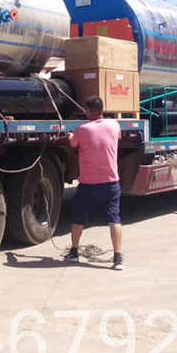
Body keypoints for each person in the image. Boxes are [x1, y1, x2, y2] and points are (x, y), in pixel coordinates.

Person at [64, 96, 124, 270]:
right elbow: (116, 138)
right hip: (111, 183)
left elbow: (73, 144)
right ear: (102, 109)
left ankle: (74, 253)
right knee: (114, 219)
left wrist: (70, 136)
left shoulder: (82, 129)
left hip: (89, 184)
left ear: (87, 111)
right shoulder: (114, 125)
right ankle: (118, 258)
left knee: (79, 219)